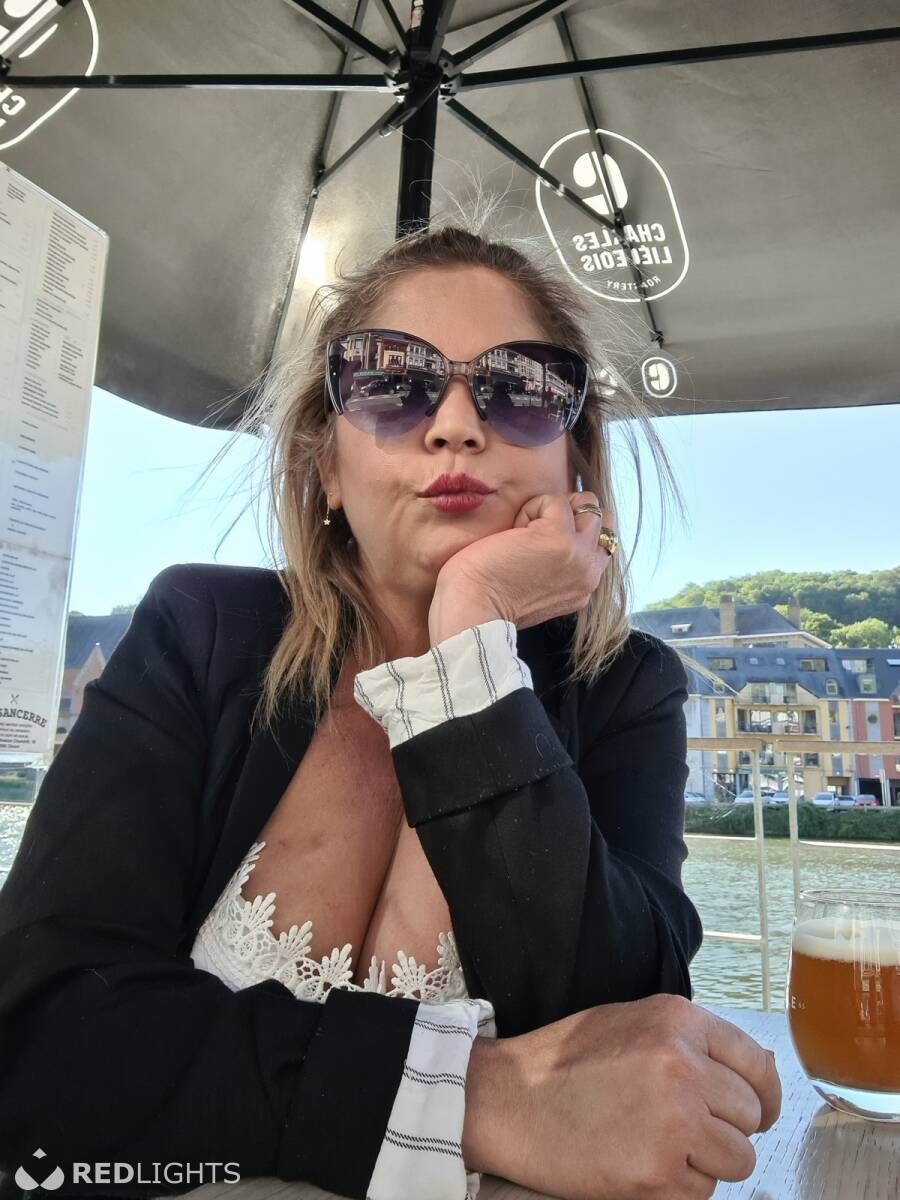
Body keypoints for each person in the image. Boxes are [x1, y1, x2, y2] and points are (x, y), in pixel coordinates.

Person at [0, 224, 781, 1200]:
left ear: (575, 464)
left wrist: (470, 649)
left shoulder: (626, 688)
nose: (455, 423)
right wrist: (477, 1099)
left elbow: (625, 1039)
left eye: (521, 386)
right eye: (389, 379)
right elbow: (39, 1036)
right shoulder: (199, 632)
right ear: (326, 465)